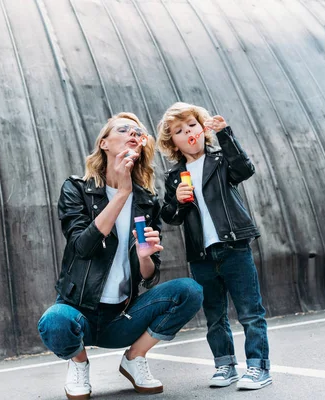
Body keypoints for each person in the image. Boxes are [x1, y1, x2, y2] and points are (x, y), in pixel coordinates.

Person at [37, 112, 203, 399]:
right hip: (80, 315)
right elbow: (82, 247)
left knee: (189, 291)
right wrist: (122, 193)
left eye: (138, 132)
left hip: (123, 317)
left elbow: (149, 278)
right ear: (104, 143)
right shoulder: (77, 189)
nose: (133, 134)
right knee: (54, 321)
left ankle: (134, 358)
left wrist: (145, 256)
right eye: (124, 129)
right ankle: (78, 363)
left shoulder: (146, 201)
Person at [156, 102, 272, 390]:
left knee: (250, 311)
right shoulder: (173, 177)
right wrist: (177, 202)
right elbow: (169, 217)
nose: (188, 132)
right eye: (179, 131)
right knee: (214, 315)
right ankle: (225, 365)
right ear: (173, 141)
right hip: (201, 255)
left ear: (203, 128)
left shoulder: (220, 161)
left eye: (192, 125)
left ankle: (258, 367)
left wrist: (226, 135)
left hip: (233, 246)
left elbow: (244, 170)